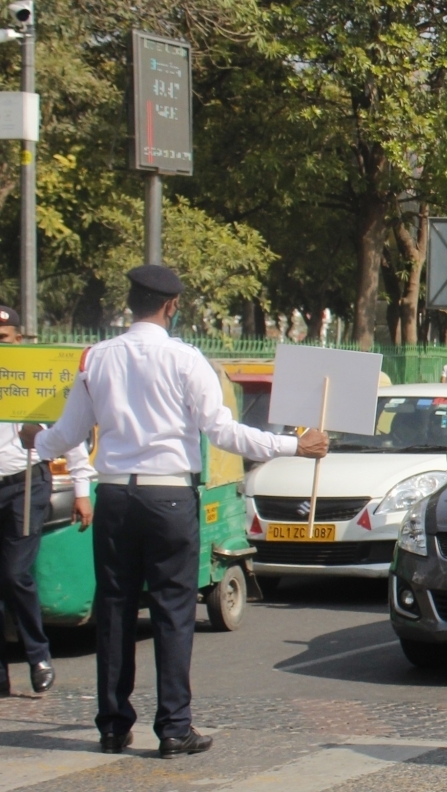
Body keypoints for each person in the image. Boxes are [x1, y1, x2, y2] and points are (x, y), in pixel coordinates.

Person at [19, 266, 328, 756]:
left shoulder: (96, 359)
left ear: (132, 302)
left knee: (115, 610)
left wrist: (35, 440)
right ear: (170, 306)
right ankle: (173, 727)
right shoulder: (186, 360)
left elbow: (67, 432)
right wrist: (293, 444)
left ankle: (113, 724)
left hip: (115, 497)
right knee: (173, 612)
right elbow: (222, 432)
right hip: (169, 498)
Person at [0, 303, 95, 698]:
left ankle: (38, 653)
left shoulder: (34, 382)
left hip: (25, 483)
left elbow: (68, 433)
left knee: (14, 574)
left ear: (18, 339)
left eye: (4, 338)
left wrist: (81, 491)